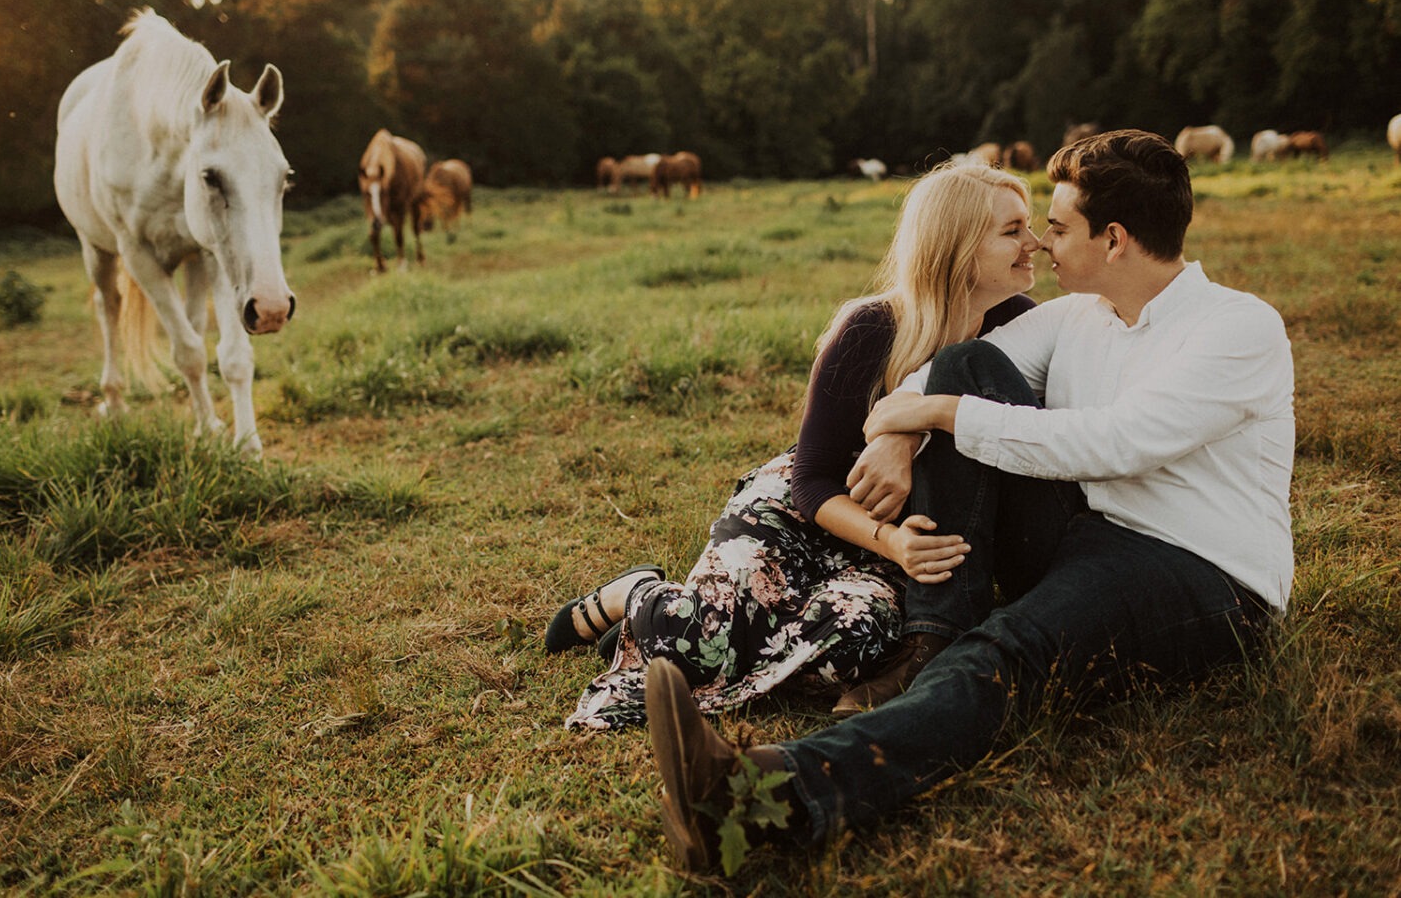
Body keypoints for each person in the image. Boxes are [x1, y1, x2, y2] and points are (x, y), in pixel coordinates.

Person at [644, 128, 1294, 873]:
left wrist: (940, 416)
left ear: (1113, 239)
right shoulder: (1079, 317)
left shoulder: (1238, 327)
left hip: (1196, 570)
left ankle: (760, 799)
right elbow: (951, 371)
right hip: (1086, 533)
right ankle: (933, 632)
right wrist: (895, 430)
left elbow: (1115, 442)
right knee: (965, 359)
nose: (1044, 246)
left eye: (1056, 227)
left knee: (1010, 652)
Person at [544, 162, 1042, 730]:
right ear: (955, 245)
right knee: (706, 632)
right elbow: (812, 481)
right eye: (1013, 230)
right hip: (811, 511)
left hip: (900, 541)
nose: (1035, 243)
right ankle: (640, 596)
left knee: (857, 639)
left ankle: (713, 629)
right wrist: (890, 542)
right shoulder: (872, 329)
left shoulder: (1019, 327)